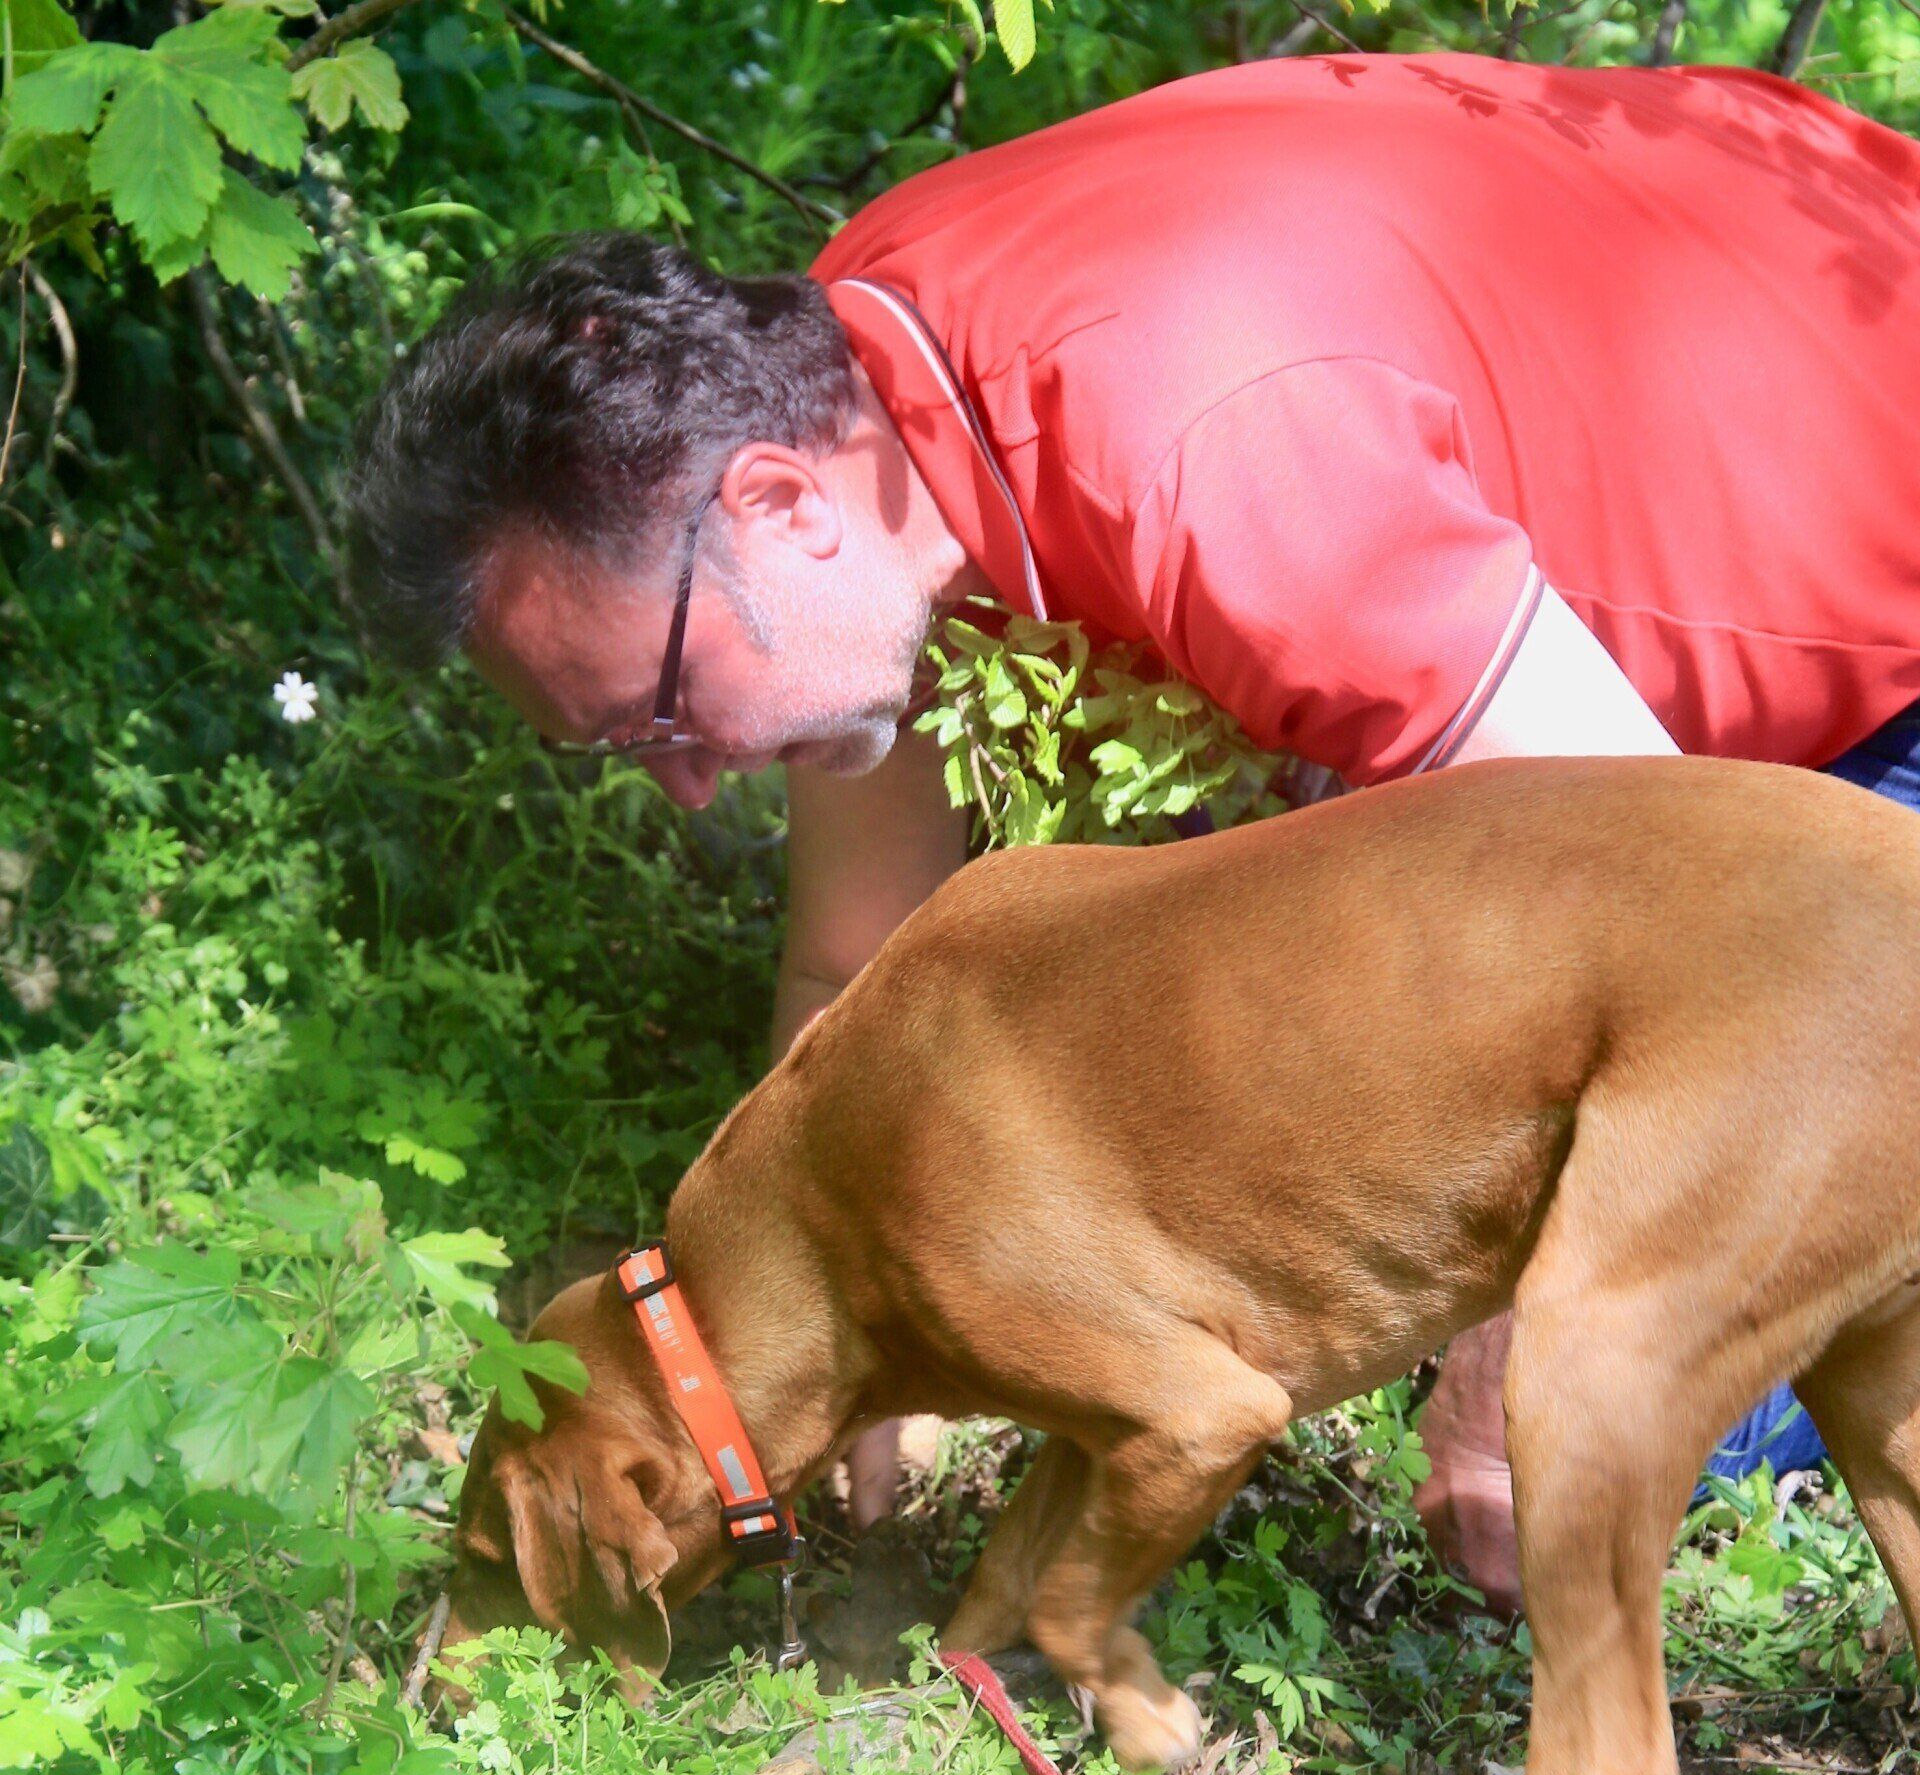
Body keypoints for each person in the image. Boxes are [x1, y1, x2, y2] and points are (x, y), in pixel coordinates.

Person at [346, 52, 1920, 1605]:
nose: (688, 787)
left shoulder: (1205, 456)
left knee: (1633, 1395)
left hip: (1839, 590)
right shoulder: (854, 406)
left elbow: (1673, 918)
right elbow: (852, 963)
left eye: (664, 716)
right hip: (1736, 323)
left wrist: (1513, 1399)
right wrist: (836, 1342)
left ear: (772, 508)